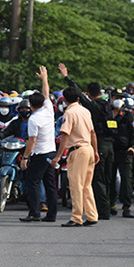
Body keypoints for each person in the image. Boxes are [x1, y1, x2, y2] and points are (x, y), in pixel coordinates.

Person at [60, 64, 114, 220]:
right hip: (107, 145)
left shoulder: (91, 107)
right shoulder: (107, 106)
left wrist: (66, 77)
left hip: (93, 146)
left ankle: (98, 212)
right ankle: (99, 211)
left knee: (91, 182)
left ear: (89, 94)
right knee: (102, 180)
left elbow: (78, 95)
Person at [51, 84, 99, 227]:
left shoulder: (69, 113)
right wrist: (95, 151)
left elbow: (65, 135)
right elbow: (92, 133)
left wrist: (58, 156)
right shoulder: (85, 111)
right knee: (86, 185)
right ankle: (91, 215)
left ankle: (76, 217)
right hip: (88, 148)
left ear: (64, 100)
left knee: (76, 186)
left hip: (77, 150)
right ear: (78, 98)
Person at [18, 67, 58, 223]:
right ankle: (52, 215)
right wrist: (45, 79)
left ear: (30, 106)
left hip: (40, 154)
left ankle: (34, 213)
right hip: (51, 153)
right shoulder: (48, 110)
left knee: (33, 182)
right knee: (50, 184)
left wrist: (25, 158)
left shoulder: (33, 119)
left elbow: (32, 141)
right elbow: (46, 94)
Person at [109, 90, 134, 219]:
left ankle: (126, 207)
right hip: (110, 151)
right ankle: (111, 204)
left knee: (126, 179)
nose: (118, 100)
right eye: (116, 97)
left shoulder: (128, 115)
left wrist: (132, 147)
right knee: (109, 178)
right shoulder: (107, 113)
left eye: (120, 98)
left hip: (125, 151)